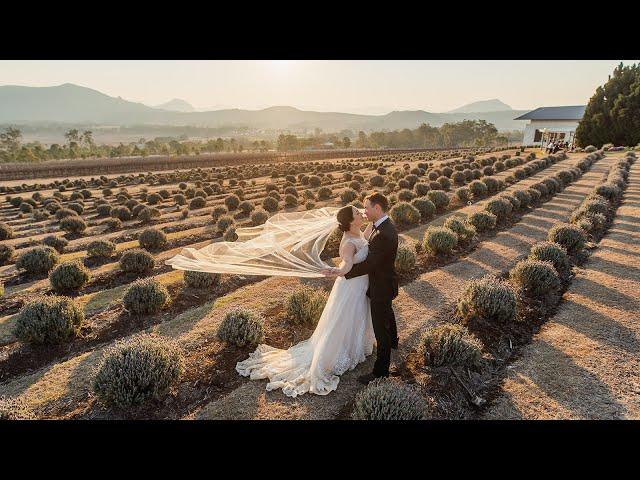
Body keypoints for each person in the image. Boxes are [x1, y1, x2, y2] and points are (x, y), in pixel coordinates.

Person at [166, 203, 393, 396]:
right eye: (357, 211)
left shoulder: (360, 233)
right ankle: (332, 356)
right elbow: (346, 264)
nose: (361, 213)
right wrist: (337, 271)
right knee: (344, 320)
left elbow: (369, 241)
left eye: (362, 209)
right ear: (350, 220)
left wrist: (376, 221)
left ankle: (355, 349)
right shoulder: (347, 242)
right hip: (350, 287)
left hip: (361, 286)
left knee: (356, 318)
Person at [324, 192, 399, 384]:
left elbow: (370, 263)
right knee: (386, 313)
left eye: (366, 208)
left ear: (377, 208)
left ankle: (380, 371)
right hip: (381, 282)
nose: (364, 212)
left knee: (380, 327)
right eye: (361, 210)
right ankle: (394, 340)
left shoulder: (383, 233)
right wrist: (342, 270)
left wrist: (344, 273)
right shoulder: (380, 226)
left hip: (380, 285)